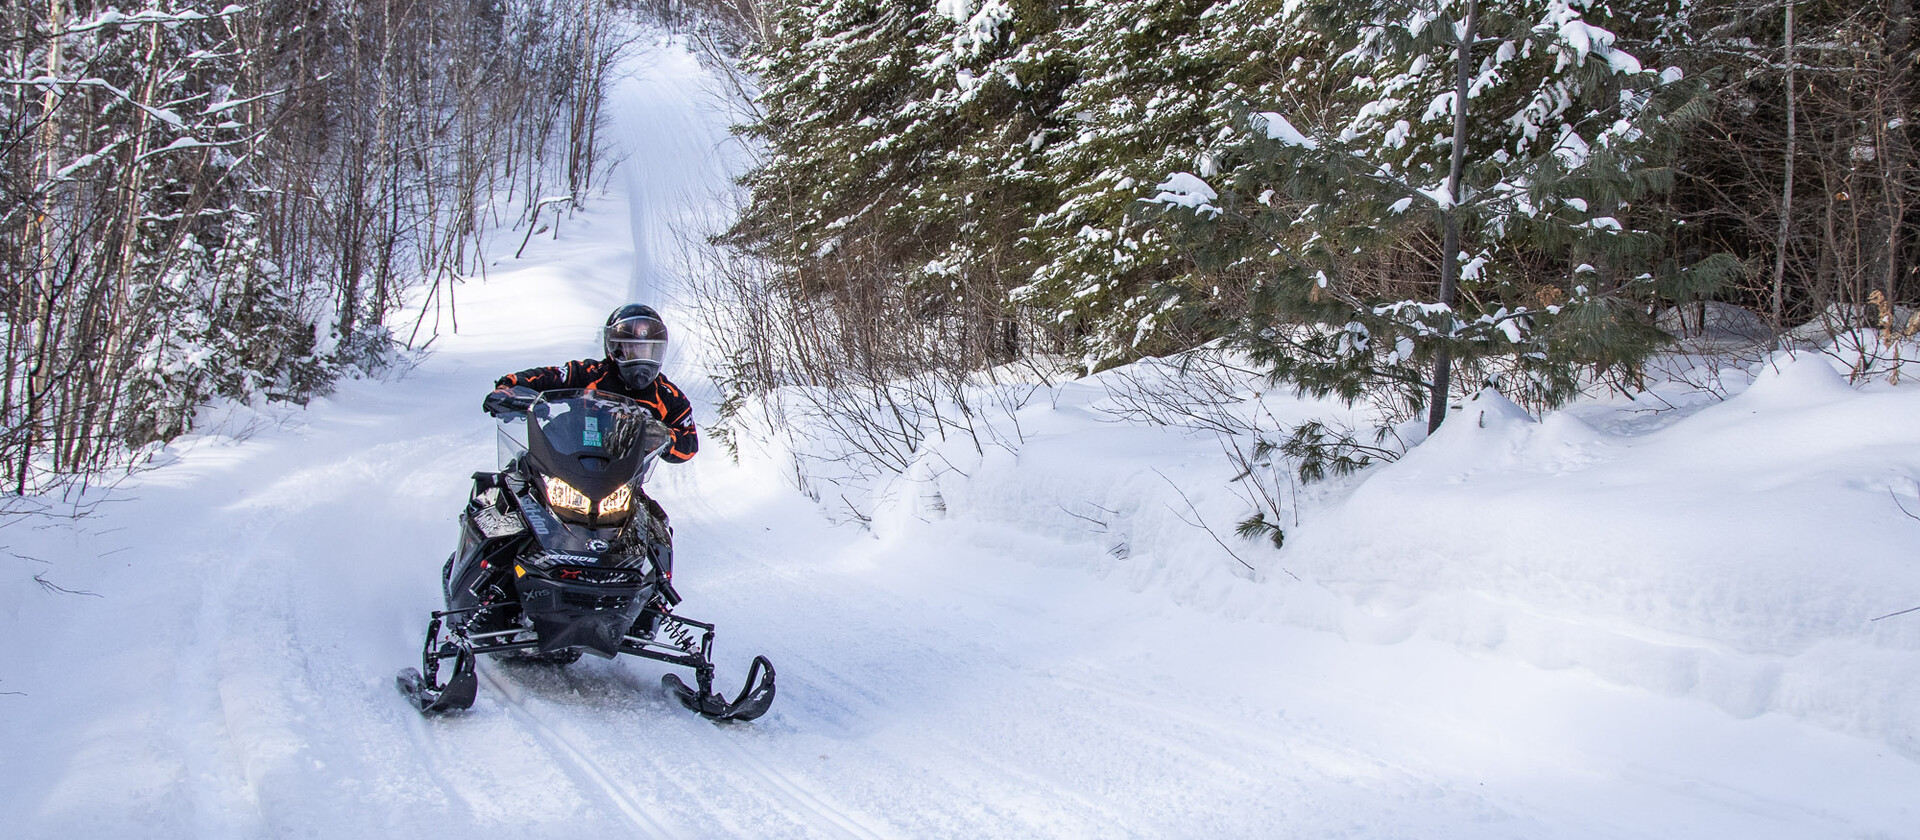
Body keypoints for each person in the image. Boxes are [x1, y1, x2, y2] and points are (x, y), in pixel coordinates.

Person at [485, 303, 698, 544]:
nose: (641, 358)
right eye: (632, 349)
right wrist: (510, 388)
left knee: (658, 530)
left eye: (650, 350)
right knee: (511, 488)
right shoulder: (590, 373)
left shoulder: (669, 396)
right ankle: (488, 559)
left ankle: (658, 581)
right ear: (615, 349)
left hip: (620, 485)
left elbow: (689, 442)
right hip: (563, 470)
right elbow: (550, 376)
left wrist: (665, 436)